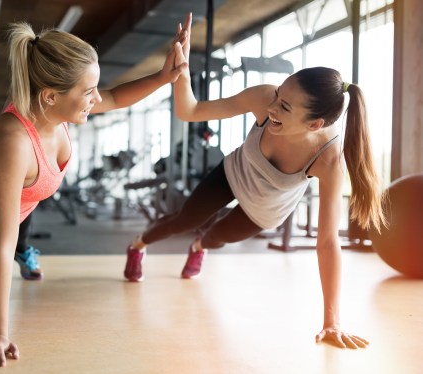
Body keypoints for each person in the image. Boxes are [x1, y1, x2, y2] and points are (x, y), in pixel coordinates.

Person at [0, 16, 190, 367]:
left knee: (20, 215)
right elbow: (2, 247)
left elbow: (113, 97)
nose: (96, 98)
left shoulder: (55, 106)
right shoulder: (14, 142)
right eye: (89, 92)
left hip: (15, 192)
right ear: (51, 96)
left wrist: (165, 76)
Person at [123, 19, 386, 350]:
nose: (272, 107)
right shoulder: (264, 99)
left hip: (265, 210)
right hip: (233, 174)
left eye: (284, 108)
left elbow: (328, 242)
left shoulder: (328, 160)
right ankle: (137, 245)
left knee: (214, 237)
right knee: (184, 220)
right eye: (278, 96)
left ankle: (198, 248)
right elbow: (190, 111)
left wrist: (331, 322)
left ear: (315, 124)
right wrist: (182, 72)